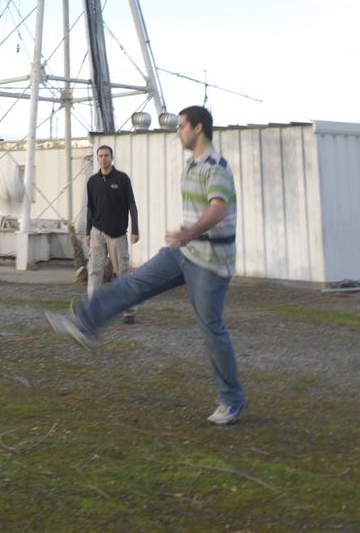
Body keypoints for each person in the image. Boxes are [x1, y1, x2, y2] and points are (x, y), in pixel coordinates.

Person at [47, 106, 246, 426]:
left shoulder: (216, 166)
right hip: (184, 251)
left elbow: (218, 208)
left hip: (211, 262)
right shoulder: (191, 164)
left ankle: (232, 400)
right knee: (134, 282)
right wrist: (185, 237)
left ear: (198, 128)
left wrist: (189, 231)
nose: (177, 131)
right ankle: (86, 323)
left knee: (212, 330)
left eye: (181, 126)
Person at [85, 145, 139, 324]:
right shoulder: (92, 182)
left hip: (118, 235)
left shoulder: (122, 179)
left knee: (122, 271)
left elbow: (131, 204)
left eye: (106, 155)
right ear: (97, 158)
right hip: (97, 233)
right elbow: (90, 209)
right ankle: (93, 310)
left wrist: (135, 229)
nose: (103, 159)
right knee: (94, 271)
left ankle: (129, 311)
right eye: (100, 156)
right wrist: (87, 233)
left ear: (112, 157)